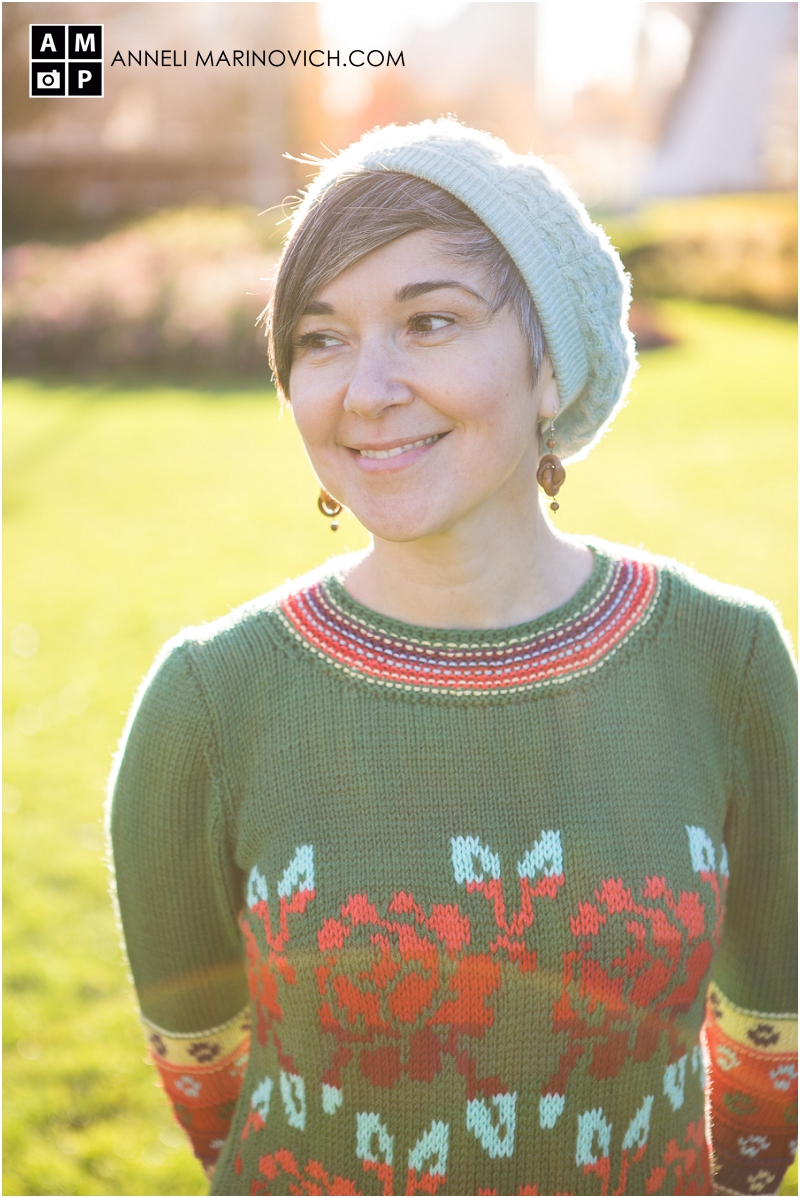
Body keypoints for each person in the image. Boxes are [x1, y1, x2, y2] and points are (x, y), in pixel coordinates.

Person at [108, 120, 797, 1197]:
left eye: (429, 321)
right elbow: (210, 1081)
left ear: (549, 365)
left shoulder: (728, 658)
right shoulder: (208, 701)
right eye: (321, 337)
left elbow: (767, 1042)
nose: (365, 389)